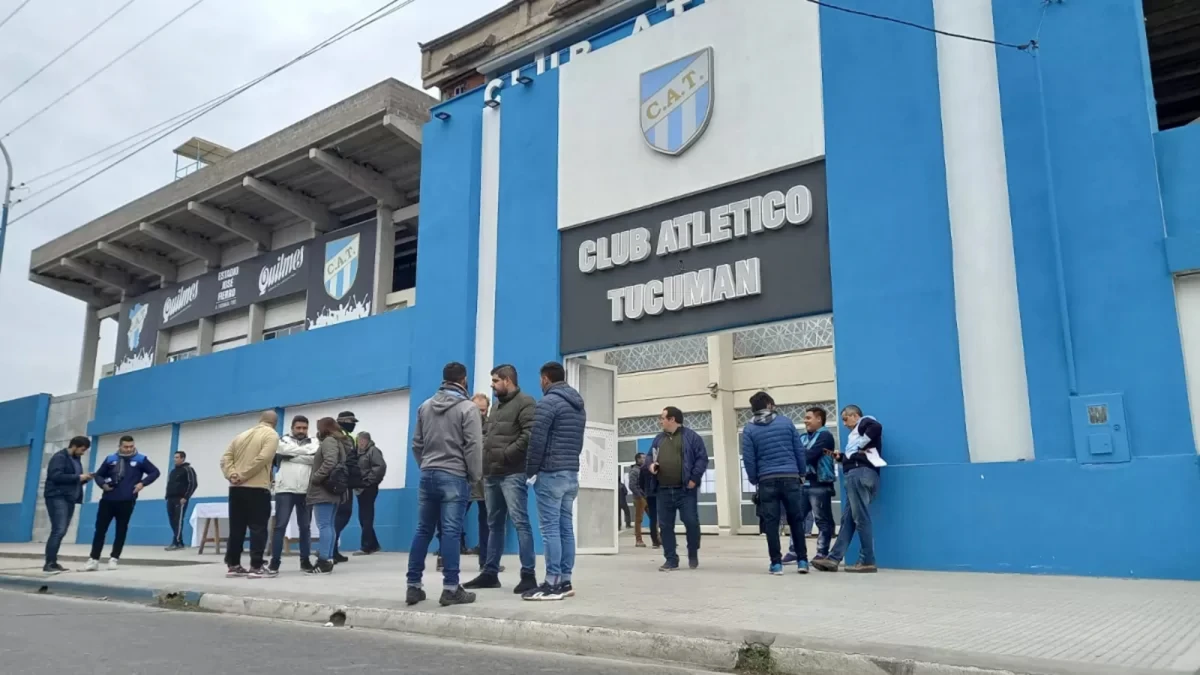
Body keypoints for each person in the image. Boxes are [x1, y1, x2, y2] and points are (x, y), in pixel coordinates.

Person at [405, 362, 483, 607]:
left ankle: (413, 586)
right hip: (455, 475)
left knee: (423, 530)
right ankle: (450, 588)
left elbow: (416, 444)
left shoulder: (425, 406)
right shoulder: (468, 409)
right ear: (464, 379)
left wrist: (427, 465)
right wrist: (474, 475)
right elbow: (473, 446)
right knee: (450, 532)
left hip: (428, 474)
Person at [463, 364, 536, 593]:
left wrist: (506, 454)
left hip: (513, 473)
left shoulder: (526, 402)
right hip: (491, 474)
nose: (492, 385)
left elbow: (529, 434)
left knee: (520, 522)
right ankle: (490, 573)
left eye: (495, 381)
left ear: (507, 380)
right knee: (493, 524)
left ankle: (528, 575)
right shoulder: (495, 406)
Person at [523, 361, 586, 601]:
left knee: (550, 530)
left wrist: (530, 471)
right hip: (570, 472)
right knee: (565, 527)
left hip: (551, 473)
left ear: (546, 379)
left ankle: (552, 582)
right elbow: (577, 441)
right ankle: (565, 579)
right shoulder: (578, 405)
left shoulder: (548, 402)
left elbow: (537, 440)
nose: (540, 383)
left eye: (541, 379)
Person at [741, 392, 809, 575]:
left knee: (771, 523)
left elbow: (748, 458)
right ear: (770, 404)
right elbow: (799, 450)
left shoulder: (749, 429)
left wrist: (754, 478)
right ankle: (802, 561)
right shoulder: (786, 422)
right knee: (796, 519)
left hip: (766, 480)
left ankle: (776, 564)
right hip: (790, 477)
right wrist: (801, 473)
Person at [813, 405, 883, 574]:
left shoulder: (865, 422)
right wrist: (841, 458)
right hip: (862, 474)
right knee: (849, 520)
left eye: (845, 418)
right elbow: (856, 455)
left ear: (855, 415)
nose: (844, 423)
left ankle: (867, 560)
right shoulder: (856, 435)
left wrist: (861, 442)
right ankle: (833, 558)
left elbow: (876, 427)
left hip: (859, 474)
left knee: (860, 518)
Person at [85, 435, 160, 572]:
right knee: (100, 530)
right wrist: (103, 485)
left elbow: (155, 472)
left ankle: (114, 558)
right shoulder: (110, 459)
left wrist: (143, 483)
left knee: (121, 530)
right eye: (126, 447)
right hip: (108, 499)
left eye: (131, 446)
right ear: (119, 446)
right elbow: (99, 475)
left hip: (127, 500)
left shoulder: (140, 459)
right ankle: (93, 560)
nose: (128, 449)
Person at [646, 407, 708, 572]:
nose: (660, 421)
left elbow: (702, 458)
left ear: (672, 419)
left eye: (662, 418)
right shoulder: (659, 439)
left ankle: (693, 552)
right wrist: (651, 466)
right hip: (663, 490)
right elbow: (649, 457)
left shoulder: (691, 437)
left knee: (691, 522)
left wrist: (694, 479)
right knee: (665, 526)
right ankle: (671, 559)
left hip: (685, 490)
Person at [220, 411, 279, 579]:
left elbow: (225, 459)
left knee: (236, 528)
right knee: (258, 527)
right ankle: (256, 565)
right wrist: (244, 475)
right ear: (275, 422)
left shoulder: (241, 435)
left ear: (260, 420)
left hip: (235, 489)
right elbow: (264, 458)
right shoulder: (271, 435)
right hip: (257, 487)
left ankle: (233, 564)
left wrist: (232, 475)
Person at [270, 415, 318, 574]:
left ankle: (305, 562)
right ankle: (274, 563)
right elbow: (280, 450)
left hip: (306, 491)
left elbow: (316, 457)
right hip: (285, 490)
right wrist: (306, 455)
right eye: (298, 428)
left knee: (305, 528)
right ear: (292, 428)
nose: (301, 431)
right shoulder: (283, 440)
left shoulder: (315, 441)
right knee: (280, 526)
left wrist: (291, 456)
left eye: (304, 428)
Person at [43, 436, 92, 574]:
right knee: (58, 530)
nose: (83, 453)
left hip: (69, 498)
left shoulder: (76, 460)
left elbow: (73, 480)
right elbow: (55, 476)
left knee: (62, 531)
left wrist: (85, 479)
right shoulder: (60, 457)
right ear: (74, 446)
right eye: (82, 449)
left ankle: (53, 561)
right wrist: (78, 477)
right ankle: (49, 564)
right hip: (57, 497)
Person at [307, 417, 349, 575]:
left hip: (323, 490)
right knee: (329, 525)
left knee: (324, 525)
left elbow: (330, 462)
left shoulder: (329, 441)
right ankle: (329, 558)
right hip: (333, 490)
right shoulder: (339, 441)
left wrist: (316, 477)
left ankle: (324, 560)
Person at [460, 394, 490, 568]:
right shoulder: (462, 424)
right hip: (464, 479)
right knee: (453, 518)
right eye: (477, 410)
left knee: (486, 521)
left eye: (483, 410)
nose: (480, 414)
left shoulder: (491, 425)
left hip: (485, 481)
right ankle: (445, 556)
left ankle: (485, 561)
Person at [352, 431, 387, 555]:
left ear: (368, 440)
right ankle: (374, 544)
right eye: (358, 440)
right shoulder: (356, 453)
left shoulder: (373, 451)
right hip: (359, 488)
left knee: (366, 516)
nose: (360, 443)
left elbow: (380, 467)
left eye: (362, 440)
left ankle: (366, 546)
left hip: (369, 487)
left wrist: (369, 481)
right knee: (363, 517)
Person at [331, 410, 359, 563]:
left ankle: (332, 549)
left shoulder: (343, 436)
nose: (353, 425)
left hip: (339, 480)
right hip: (341, 481)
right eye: (351, 422)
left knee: (338, 515)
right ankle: (330, 549)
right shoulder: (340, 437)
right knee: (343, 513)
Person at [164, 451, 198, 550]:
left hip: (180, 499)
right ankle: (180, 542)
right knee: (172, 520)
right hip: (170, 498)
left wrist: (186, 497)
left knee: (178, 520)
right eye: (174, 457)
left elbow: (193, 484)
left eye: (177, 457)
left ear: (182, 458)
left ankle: (176, 542)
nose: (175, 459)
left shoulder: (188, 470)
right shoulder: (173, 471)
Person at [629, 454, 650, 547]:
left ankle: (658, 538)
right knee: (639, 520)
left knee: (654, 517)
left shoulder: (645, 469)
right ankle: (638, 540)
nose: (645, 459)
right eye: (643, 458)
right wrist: (640, 495)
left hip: (647, 497)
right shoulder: (634, 471)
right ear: (638, 459)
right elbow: (632, 485)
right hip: (639, 498)